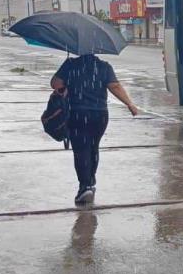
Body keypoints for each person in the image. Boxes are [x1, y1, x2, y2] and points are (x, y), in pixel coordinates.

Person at [51, 54, 139, 204]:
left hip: (78, 113)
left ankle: (84, 187)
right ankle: (90, 181)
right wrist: (129, 104)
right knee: (93, 147)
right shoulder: (104, 66)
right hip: (100, 115)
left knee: (81, 150)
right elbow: (115, 86)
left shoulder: (71, 64)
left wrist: (67, 78)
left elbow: (55, 83)